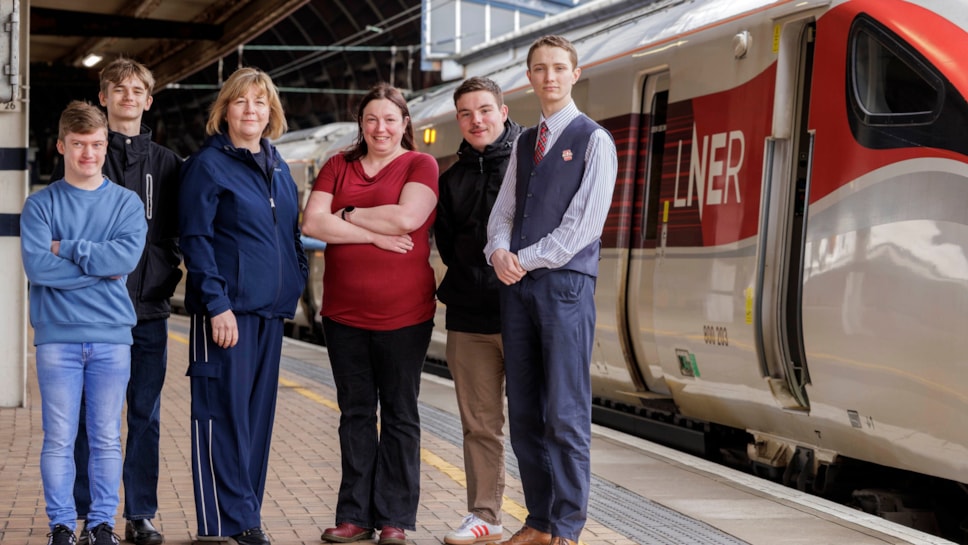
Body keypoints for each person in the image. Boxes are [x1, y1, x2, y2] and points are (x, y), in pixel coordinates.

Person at [484, 35, 618, 545]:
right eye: (540, 69)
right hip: (518, 288)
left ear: (575, 74)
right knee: (524, 412)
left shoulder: (594, 140)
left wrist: (523, 258)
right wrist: (498, 252)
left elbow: (584, 226)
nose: (550, 77)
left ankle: (566, 527)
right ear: (530, 78)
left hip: (565, 289)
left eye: (559, 68)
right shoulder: (524, 143)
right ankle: (539, 520)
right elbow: (503, 213)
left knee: (564, 413)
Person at [50, 57, 183, 545]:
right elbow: (62, 228)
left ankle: (139, 512)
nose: (128, 97)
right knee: (90, 417)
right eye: (118, 89)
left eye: (137, 90)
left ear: (149, 100)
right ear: (103, 97)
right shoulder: (87, 155)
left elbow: (175, 233)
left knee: (144, 414)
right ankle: (90, 515)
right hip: (92, 312)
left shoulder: (168, 165)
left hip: (148, 311)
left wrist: (162, 273)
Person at [301, 82, 438, 545]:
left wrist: (348, 213)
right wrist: (375, 235)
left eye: (390, 119)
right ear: (361, 123)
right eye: (372, 119)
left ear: (404, 123)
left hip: (406, 315)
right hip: (343, 315)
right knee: (355, 414)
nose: (381, 128)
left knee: (400, 414)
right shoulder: (337, 164)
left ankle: (395, 519)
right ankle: (354, 516)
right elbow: (312, 222)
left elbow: (407, 219)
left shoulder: (420, 164)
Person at [178, 67, 308, 545]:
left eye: (260, 102)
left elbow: (291, 234)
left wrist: (295, 281)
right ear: (225, 110)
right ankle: (227, 521)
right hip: (227, 314)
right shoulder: (208, 166)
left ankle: (245, 515)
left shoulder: (279, 167)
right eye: (241, 101)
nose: (251, 110)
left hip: (269, 313)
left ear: (271, 112)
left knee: (254, 421)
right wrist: (217, 305)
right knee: (222, 414)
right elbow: (196, 239)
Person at [21, 100, 148, 545]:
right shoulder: (39, 205)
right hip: (57, 339)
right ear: (61, 146)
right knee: (58, 437)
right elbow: (38, 268)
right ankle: (61, 525)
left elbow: (124, 260)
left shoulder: (126, 203)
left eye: (95, 144)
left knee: (106, 438)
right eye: (78, 144)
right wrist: (99, 266)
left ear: (105, 144)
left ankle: (100, 524)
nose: (87, 153)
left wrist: (68, 248)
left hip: (111, 338)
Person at [434, 77, 522, 545]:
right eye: (466, 113)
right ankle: (485, 514)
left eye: (485, 110)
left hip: (524, 314)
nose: (476, 120)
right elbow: (450, 248)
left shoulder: (530, 165)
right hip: (469, 318)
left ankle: (545, 519)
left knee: (535, 421)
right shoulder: (451, 180)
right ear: (458, 119)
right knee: (479, 426)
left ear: (503, 112)